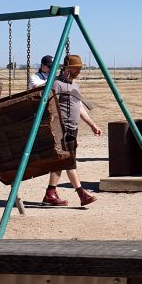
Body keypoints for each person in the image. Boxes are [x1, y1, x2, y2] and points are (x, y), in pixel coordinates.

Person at [42, 54, 101, 207]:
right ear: (67, 68)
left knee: (62, 160)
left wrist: (92, 125)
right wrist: (55, 124)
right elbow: (48, 105)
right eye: (76, 68)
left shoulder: (74, 86)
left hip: (72, 128)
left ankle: (50, 193)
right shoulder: (55, 84)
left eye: (80, 68)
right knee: (69, 160)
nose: (79, 71)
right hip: (61, 129)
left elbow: (79, 107)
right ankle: (82, 193)